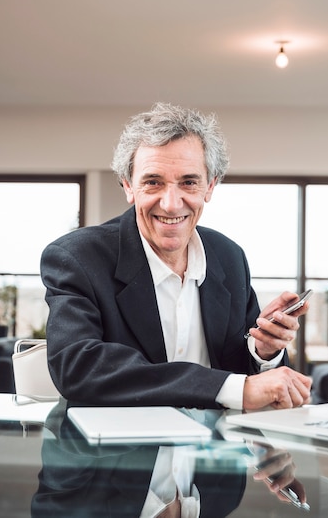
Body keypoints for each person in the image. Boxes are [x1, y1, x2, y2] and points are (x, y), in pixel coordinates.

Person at [41, 103, 312, 411]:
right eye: (153, 182)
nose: (171, 204)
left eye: (189, 182)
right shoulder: (77, 257)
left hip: (215, 453)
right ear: (128, 185)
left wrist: (262, 351)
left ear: (209, 186)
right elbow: (78, 368)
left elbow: (243, 374)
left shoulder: (229, 258)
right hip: (120, 453)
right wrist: (231, 388)